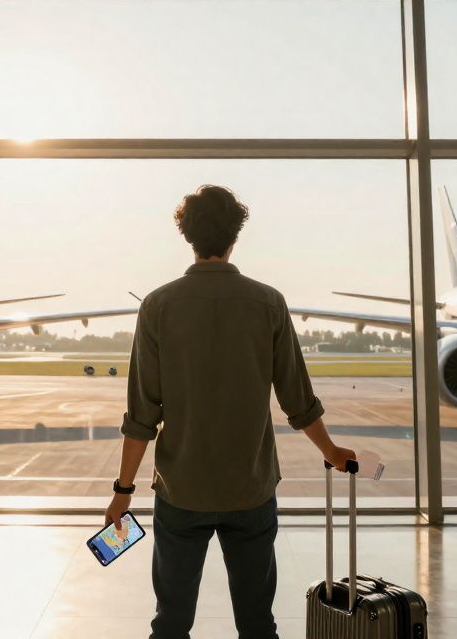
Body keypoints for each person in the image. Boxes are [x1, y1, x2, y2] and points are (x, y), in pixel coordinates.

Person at [104, 184, 357, 639]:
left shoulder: (158, 305)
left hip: (182, 490)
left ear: (189, 237)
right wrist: (332, 450)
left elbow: (141, 414)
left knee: (171, 623)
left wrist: (122, 491)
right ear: (234, 237)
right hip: (250, 490)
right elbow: (297, 401)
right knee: (258, 624)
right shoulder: (269, 303)